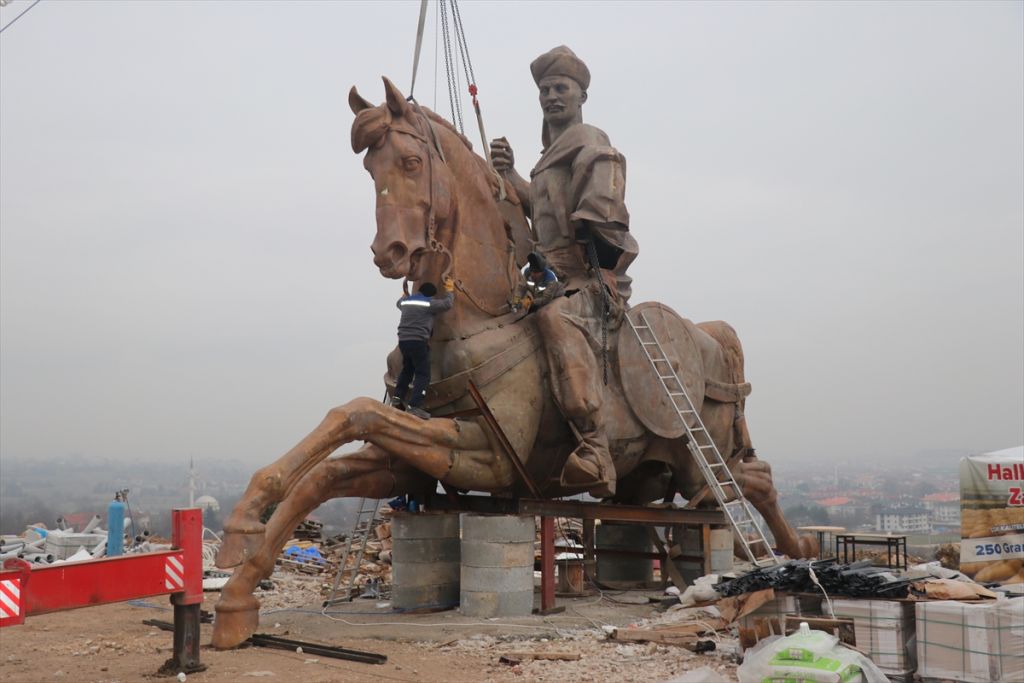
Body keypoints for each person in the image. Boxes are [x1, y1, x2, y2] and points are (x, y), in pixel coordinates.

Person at [489, 46, 639, 497]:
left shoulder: (592, 144)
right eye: (544, 89)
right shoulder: (548, 158)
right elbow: (539, 208)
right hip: (543, 277)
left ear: (581, 96)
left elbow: (603, 205)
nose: (551, 96)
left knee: (556, 321)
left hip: (586, 278)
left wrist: (591, 222)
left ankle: (595, 446)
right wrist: (511, 174)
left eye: (561, 88)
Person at [392, 278, 454, 419]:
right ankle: (414, 406)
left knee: (407, 370)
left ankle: (397, 397)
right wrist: (450, 289)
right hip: (418, 342)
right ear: (430, 295)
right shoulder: (428, 303)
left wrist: (404, 293)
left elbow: (398, 303)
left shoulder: (406, 302)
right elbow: (447, 304)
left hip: (403, 341)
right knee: (423, 374)